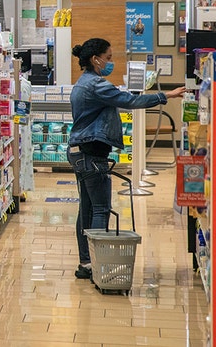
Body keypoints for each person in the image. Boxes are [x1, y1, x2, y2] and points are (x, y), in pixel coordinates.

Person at [68, 38, 186, 279]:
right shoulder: (96, 85)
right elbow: (130, 101)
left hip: (80, 152)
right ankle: (98, 265)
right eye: (108, 58)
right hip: (92, 155)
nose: (110, 62)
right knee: (100, 208)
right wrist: (166, 95)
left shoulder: (83, 83)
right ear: (95, 59)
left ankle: (86, 264)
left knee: (87, 209)